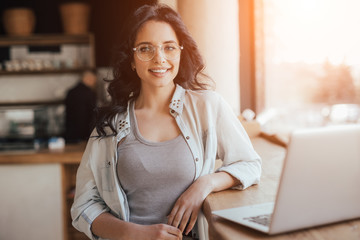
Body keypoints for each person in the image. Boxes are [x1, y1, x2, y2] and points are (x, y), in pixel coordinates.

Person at [71, 4, 261, 240]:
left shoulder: (208, 106)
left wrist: (205, 183)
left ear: (181, 52)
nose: (159, 59)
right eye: (145, 49)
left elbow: (250, 164)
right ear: (131, 60)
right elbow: (83, 206)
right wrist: (137, 234)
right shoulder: (110, 125)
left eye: (169, 47)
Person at [65, 70, 97, 143]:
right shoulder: (90, 93)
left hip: (71, 133)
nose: (94, 83)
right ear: (87, 79)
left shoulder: (70, 92)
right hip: (85, 133)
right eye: (94, 81)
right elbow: (93, 114)